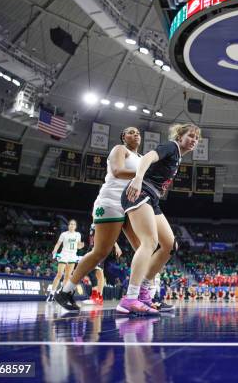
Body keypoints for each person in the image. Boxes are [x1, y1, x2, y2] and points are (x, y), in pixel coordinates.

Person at [54, 127, 173, 313]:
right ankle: (65, 291)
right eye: (131, 132)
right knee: (100, 252)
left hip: (133, 203)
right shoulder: (119, 149)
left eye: (138, 133)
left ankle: (146, 297)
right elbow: (117, 172)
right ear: (123, 137)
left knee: (147, 248)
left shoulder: (143, 159)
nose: (136, 134)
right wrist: (143, 176)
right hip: (111, 201)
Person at [119, 123, 200, 315]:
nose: (194, 140)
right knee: (149, 242)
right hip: (140, 192)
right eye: (191, 136)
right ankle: (129, 298)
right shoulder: (171, 146)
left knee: (170, 245)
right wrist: (138, 178)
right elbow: (148, 157)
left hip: (152, 198)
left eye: (197, 138)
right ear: (180, 136)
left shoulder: (178, 156)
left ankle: (144, 291)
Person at [49, 219, 83, 301]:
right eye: (71, 224)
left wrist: (81, 246)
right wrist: (55, 250)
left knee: (67, 276)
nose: (72, 225)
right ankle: (51, 294)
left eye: (74, 224)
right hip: (64, 255)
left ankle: (61, 293)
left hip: (72, 256)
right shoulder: (64, 234)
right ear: (68, 225)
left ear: (75, 226)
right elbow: (58, 244)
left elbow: (78, 246)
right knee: (59, 274)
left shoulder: (78, 234)